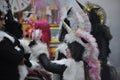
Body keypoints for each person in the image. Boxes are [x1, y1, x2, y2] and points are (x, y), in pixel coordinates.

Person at [29, 28, 101, 80]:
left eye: (68, 48)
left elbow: (48, 66)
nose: (66, 49)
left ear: (74, 50)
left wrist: (38, 48)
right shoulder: (82, 64)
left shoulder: (70, 64)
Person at [0, 10, 27, 80]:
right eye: (1, 19)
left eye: (3, 19)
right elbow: (17, 57)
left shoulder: (5, 36)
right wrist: (19, 50)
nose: (4, 23)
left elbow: (20, 47)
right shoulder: (1, 40)